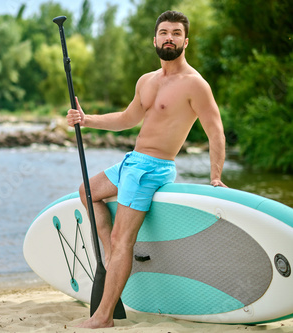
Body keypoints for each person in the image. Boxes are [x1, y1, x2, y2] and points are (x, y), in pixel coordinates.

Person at [66, 10, 227, 329]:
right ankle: (113, 260)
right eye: (164, 32)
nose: (170, 37)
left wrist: (215, 176)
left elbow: (215, 131)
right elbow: (127, 119)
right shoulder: (147, 81)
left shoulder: (195, 85)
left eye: (176, 33)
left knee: (122, 236)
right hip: (132, 161)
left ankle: (104, 317)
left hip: (153, 169)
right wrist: (88, 120)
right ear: (155, 39)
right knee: (87, 192)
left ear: (186, 41)